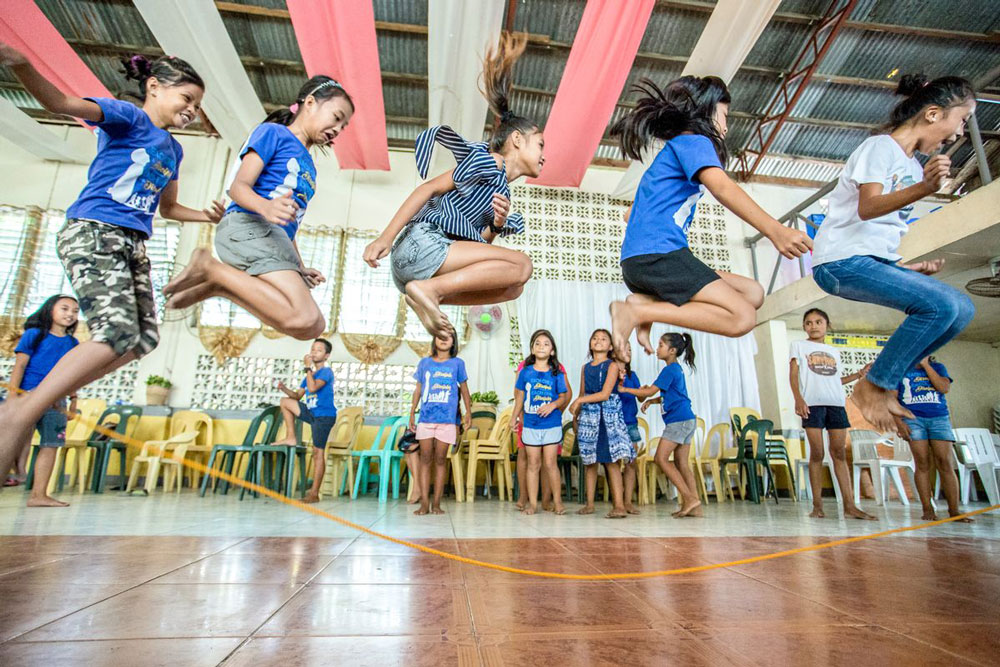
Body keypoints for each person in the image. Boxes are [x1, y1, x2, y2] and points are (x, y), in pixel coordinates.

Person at [0, 46, 221, 481]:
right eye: (187, 99)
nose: (193, 110)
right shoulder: (127, 117)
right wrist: (21, 63)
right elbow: (60, 104)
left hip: (133, 242)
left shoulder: (173, 150)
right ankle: (31, 403)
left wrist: (208, 216)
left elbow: (168, 209)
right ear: (154, 88)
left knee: (145, 338)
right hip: (95, 230)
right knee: (114, 331)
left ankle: (36, 401)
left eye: (198, 105)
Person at [810, 74, 976, 432]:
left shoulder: (913, 166)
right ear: (933, 114)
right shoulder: (879, 149)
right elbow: (868, 208)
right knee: (941, 306)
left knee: (962, 309)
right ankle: (874, 384)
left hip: (867, 261)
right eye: (961, 120)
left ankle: (882, 384)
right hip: (839, 261)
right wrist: (924, 189)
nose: (960, 132)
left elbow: (878, 233)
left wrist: (902, 268)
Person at [607, 76, 811, 359]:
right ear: (706, 111)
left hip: (643, 262)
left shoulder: (669, 155)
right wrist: (776, 231)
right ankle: (638, 308)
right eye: (724, 115)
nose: (726, 126)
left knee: (752, 294)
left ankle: (644, 303)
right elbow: (723, 187)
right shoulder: (694, 141)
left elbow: (631, 215)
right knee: (742, 318)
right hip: (660, 256)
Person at [362, 32, 542, 336]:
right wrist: (385, 238)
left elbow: (479, 249)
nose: (544, 156)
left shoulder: (502, 190)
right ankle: (430, 291)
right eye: (540, 144)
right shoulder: (490, 161)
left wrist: (497, 224)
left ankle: (429, 295)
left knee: (514, 287)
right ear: (516, 140)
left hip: (421, 266)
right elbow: (428, 189)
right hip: (420, 244)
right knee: (523, 265)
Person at [164, 76, 355, 339]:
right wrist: (266, 207)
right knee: (305, 316)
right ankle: (210, 268)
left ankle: (217, 285)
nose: (338, 128)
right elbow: (238, 187)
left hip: (273, 239)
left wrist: (299, 266)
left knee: (310, 327)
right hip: (249, 226)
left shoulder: (309, 166)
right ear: (309, 103)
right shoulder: (273, 134)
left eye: (343, 126)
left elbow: (289, 224)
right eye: (336, 117)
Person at [789, 309, 876, 520]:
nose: (814, 326)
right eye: (808, 323)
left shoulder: (834, 351)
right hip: (812, 405)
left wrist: (857, 375)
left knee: (838, 453)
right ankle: (817, 506)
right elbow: (793, 374)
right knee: (817, 453)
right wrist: (798, 399)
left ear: (827, 324)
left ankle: (850, 506)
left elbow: (834, 380)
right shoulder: (799, 346)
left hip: (836, 404)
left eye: (818, 322)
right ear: (804, 327)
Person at [8, 296, 80, 506]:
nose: (70, 314)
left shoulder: (73, 343)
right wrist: (13, 396)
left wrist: (73, 400)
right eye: (65, 308)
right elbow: (19, 366)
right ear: (50, 310)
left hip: (57, 401)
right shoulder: (34, 335)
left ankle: (38, 495)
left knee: (51, 444)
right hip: (28, 395)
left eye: (75, 311)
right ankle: (15, 473)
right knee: (12, 440)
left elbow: (73, 374)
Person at [621, 333, 702, 517]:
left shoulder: (669, 370)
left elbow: (649, 390)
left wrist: (625, 389)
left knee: (661, 459)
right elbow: (673, 395)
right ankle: (695, 507)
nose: (657, 349)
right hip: (687, 419)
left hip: (678, 421)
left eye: (660, 345)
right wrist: (653, 402)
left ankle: (689, 499)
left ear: (672, 351)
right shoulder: (675, 369)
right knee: (682, 463)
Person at [569, 329, 634, 518]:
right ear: (590, 344)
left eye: (604, 339)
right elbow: (582, 393)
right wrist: (576, 417)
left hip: (607, 418)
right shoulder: (585, 368)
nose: (598, 341)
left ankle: (620, 506)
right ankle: (589, 504)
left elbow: (605, 394)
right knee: (590, 462)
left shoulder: (612, 366)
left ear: (611, 346)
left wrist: (580, 402)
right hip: (589, 419)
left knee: (611, 462)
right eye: (595, 338)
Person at [897, 356, 971, 523]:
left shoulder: (938, 367)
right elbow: (892, 399)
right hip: (912, 419)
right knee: (922, 462)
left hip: (939, 418)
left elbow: (944, 388)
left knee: (945, 462)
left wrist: (925, 365)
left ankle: (954, 510)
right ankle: (927, 509)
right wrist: (898, 423)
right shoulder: (901, 369)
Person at [408, 331, 471, 514]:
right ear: (434, 339)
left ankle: (436, 503)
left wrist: (468, 413)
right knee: (425, 458)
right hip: (426, 419)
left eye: (448, 337)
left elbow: (465, 391)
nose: (443, 340)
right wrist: (412, 412)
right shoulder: (425, 363)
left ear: (453, 342)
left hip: (447, 420)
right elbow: (418, 390)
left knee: (441, 459)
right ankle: (424, 503)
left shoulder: (457, 364)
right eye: (439, 336)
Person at [512, 329, 570, 515]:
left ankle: (558, 502)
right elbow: (519, 396)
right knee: (533, 464)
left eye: (546, 344)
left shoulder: (557, 373)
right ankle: (533, 504)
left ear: (552, 350)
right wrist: (514, 417)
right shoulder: (525, 373)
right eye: (537, 343)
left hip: (551, 425)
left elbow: (563, 397)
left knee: (550, 463)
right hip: (530, 425)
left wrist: (552, 406)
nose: (541, 346)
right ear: (532, 349)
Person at [275, 338, 337, 503]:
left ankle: (314, 493)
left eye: (319, 350)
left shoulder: (326, 372)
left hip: (324, 416)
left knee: (318, 453)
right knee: (285, 402)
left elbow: (313, 388)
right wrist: (283, 388)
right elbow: (297, 396)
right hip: (312, 413)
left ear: (326, 355)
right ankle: (291, 436)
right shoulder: (309, 374)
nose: (314, 352)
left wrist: (307, 368)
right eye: (313, 349)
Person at [616, 342, 642, 515]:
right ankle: (617, 501)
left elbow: (640, 397)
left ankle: (627, 501)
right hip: (614, 423)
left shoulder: (633, 376)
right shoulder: (611, 374)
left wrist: (630, 389)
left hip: (631, 423)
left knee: (631, 463)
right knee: (615, 464)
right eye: (625, 349)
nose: (628, 352)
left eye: (630, 349)